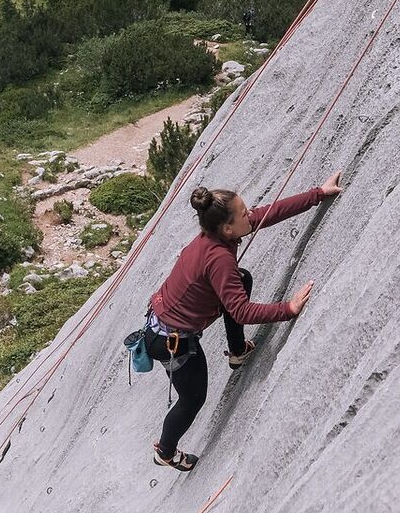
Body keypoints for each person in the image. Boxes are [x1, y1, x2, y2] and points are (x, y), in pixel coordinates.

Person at [146, 172, 343, 471]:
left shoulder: (213, 234)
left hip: (162, 321)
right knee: (193, 399)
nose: (249, 213)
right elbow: (242, 312)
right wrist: (287, 308)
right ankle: (166, 451)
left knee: (242, 278)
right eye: (242, 213)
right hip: (171, 342)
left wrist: (318, 193)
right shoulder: (219, 259)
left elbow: (266, 214)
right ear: (227, 228)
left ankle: (237, 352)